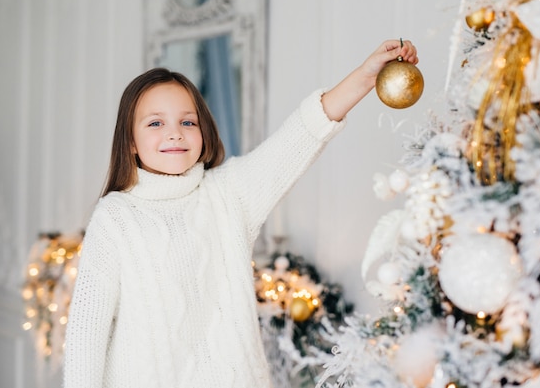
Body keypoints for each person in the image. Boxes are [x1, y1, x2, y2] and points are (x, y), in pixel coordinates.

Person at [63, 39, 419, 388]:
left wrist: (365, 75)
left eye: (188, 122)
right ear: (130, 142)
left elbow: (304, 133)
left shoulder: (229, 195)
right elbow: (86, 334)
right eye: (155, 123)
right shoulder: (115, 218)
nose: (175, 133)